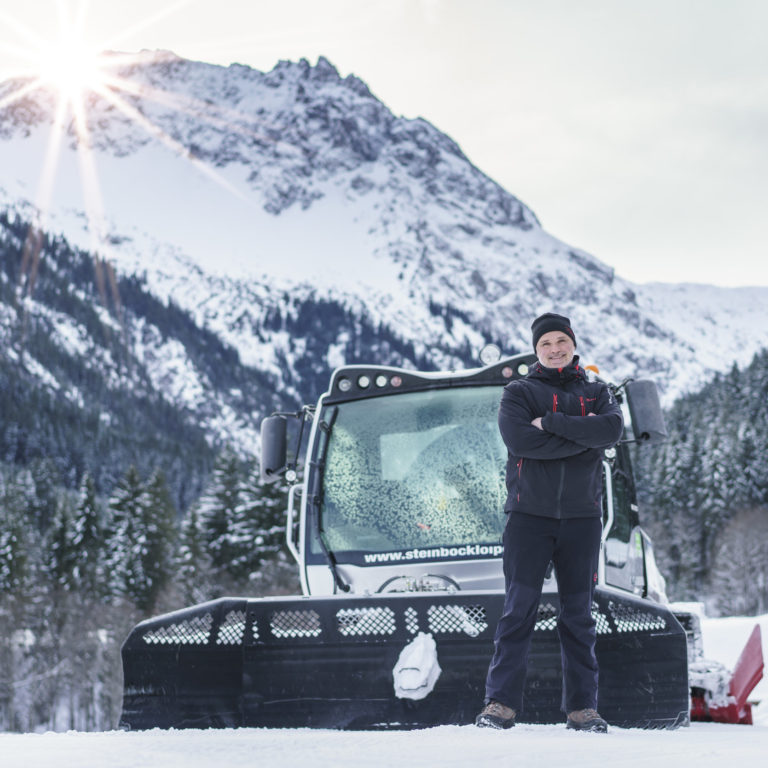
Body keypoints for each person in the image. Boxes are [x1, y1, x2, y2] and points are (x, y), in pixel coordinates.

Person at [475, 312, 624, 732]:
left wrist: (554, 425)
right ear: (535, 349)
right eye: (546, 343)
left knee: (578, 615)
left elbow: (610, 431)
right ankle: (499, 705)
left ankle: (582, 710)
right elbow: (521, 440)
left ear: (573, 344)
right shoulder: (519, 392)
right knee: (517, 611)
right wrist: (582, 436)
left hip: (582, 520)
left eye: (561, 341)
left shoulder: (598, 391)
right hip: (528, 518)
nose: (554, 349)